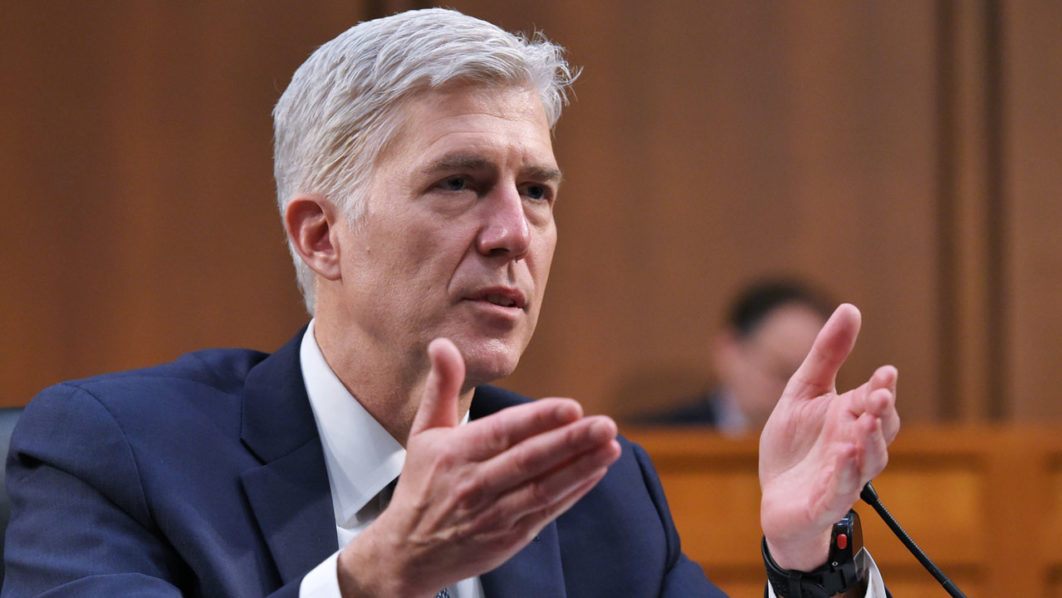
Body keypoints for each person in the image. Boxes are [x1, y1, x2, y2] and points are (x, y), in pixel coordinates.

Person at [2, 8, 899, 598]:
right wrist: (370, 579)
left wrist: (806, 559)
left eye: (537, 191)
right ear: (321, 236)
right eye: (459, 183)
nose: (513, 233)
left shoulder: (599, 494)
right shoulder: (117, 454)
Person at [638, 278, 833, 434]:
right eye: (782, 374)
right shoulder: (659, 441)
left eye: (815, 380)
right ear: (729, 352)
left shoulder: (836, 447)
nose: (797, 392)